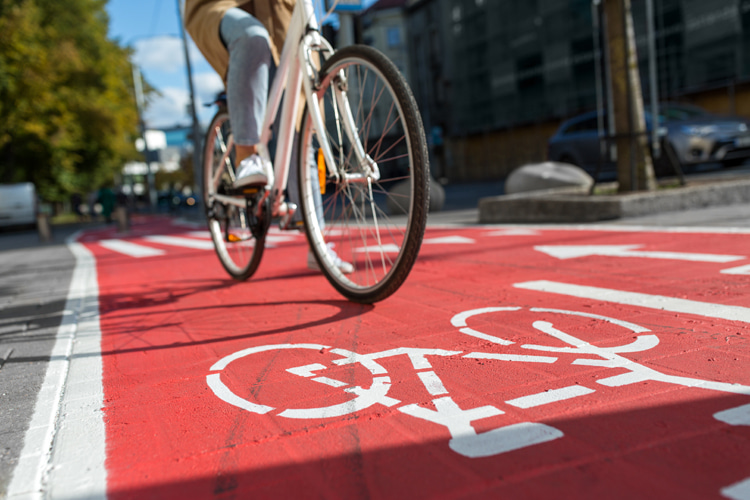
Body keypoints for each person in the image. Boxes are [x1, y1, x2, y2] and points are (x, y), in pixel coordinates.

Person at [184, 0, 353, 273]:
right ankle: (246, 156)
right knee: (252, 38)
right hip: (222, 5)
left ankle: (317, 243)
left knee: (301, 125)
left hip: (284, 16)